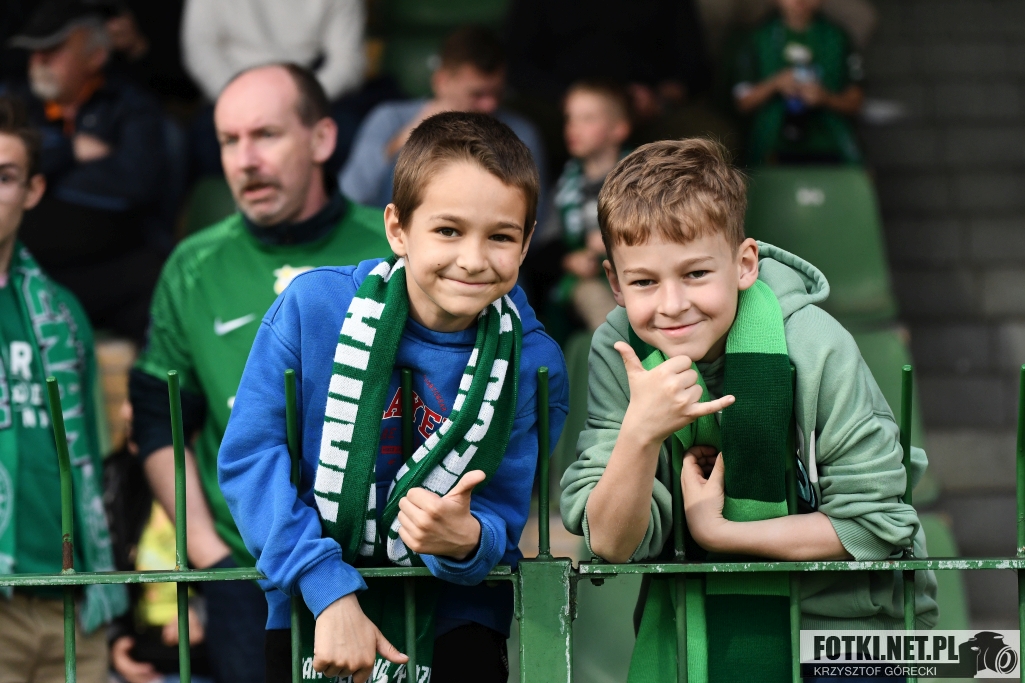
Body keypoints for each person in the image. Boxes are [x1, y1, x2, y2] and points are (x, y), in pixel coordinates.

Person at [559, 139, 938, 683]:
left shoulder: (815, 344)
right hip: (696, 634)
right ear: (615, 284)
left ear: (744, 264)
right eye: (644, 282)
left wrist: (719, 534)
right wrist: (640, 434)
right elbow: (612, 543)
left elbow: (876, 527)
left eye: (695, 274)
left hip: (847, 631)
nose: (672, 305)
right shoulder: (619, 352)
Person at [219, 112, 569, 683]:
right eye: (448, 231)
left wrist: (467, 540)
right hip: (312, 607)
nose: (473, 258)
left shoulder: (533, 363)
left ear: (527, 242)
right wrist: (326, 589)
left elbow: (503, 511)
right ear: (398, 229)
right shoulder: (313, 310)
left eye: (501, 236)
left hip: (459, 618)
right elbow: (251, 461)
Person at [128, 63, 391, 683]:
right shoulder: (194, 266)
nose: (245, 160)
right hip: (247, 570)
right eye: (229, 140)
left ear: (322, 139)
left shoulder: (391, 250)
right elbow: (159, 419)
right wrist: (210, 557)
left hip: (376, 564)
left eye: (266, 135)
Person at [0, 94, 127, 683]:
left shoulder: (62, 313)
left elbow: (92, 462)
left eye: (5, 177)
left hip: (71, 599)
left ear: (32, 191)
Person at [4, 0, 169, 344]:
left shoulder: (130, 105)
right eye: (34, 51)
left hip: (111, 272)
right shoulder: (14, 103)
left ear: (95, 56)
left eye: (53, 50)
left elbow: (136, 183)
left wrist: (46, 174)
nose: (39, 61)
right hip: (26, 269)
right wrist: (71, 151)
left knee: (158, 287)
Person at [340, 25, 547, 209]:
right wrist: (406, 137)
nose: (490, 105)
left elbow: (532, 221)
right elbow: (350, 198)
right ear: (441, 82)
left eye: (498, 93)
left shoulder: (522, 134)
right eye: (477, 94)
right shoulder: (389, 119)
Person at [527, 81, 631, 335]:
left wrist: (614, 239)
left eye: (588, 119)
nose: (574, 128)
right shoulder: (566, 185)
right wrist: (569, 259)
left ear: (619, 129)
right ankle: (622, 351)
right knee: (591, 296)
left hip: (635, 272)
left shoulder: (640, 175)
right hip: (588, 282)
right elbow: (542, 247)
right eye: (570, 119)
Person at [732, 0, 865, 165]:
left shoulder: (837, 37)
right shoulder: (758, 37)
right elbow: (742, 102)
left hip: (830, 146)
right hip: (771, 147)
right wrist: (775, 84)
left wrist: (825, 97)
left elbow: (856, 101)